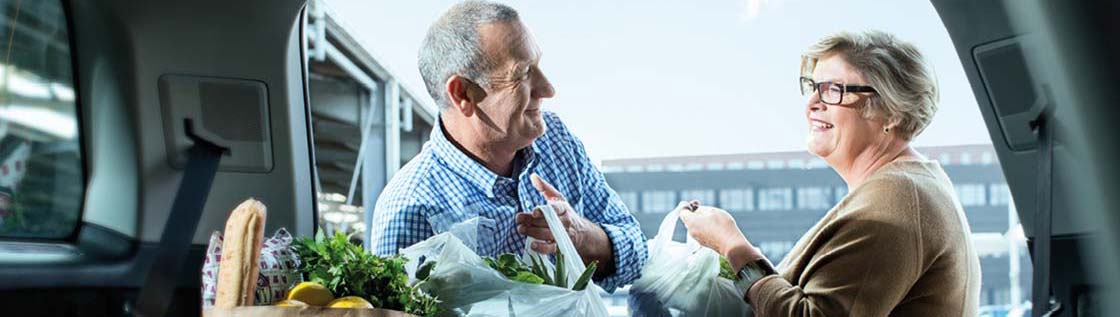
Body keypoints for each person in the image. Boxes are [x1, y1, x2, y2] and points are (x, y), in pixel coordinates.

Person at [680, 30, 981, 316]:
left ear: (892, 113)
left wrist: (733, 246)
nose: (812, 103)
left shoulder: (897, 199)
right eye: (812, 87)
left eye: (833, 90)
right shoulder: (908, 186)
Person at [368, 0, 646, 291]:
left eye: (537, 65)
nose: (548, 89)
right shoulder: (410, 210)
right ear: (463, 93)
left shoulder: (556, 142)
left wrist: (579, 235)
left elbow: (638, 256)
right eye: (523, 74)